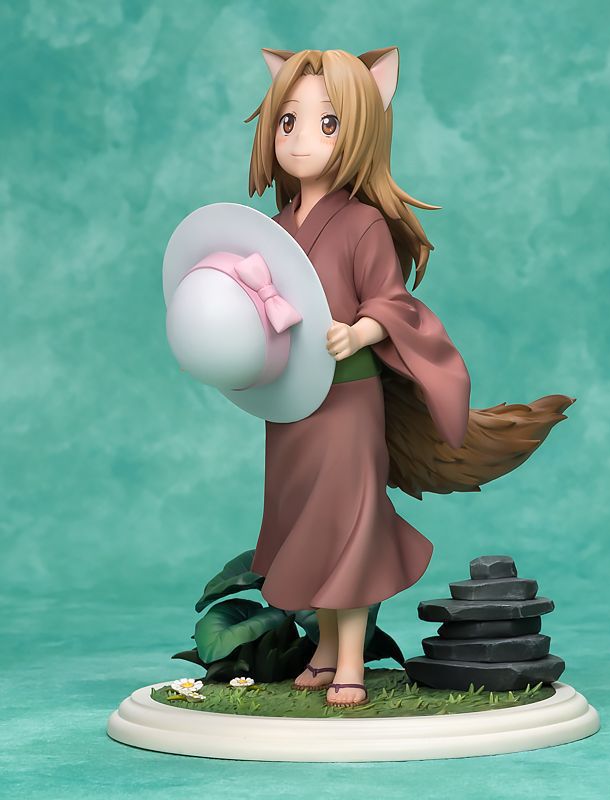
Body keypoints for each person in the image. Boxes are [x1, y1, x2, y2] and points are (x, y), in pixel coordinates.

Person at [244, 47, 574, 708]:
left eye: (328, 123)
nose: (301, 139)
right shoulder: (276, 229)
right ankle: (324, 651)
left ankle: (349, 664)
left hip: (346, 402)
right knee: (303, 524)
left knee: (346, 525)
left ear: (362, 128)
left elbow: (392, 303)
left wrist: (359, 332)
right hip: (293, 408)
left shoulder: (362, 223)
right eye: (288, 121)